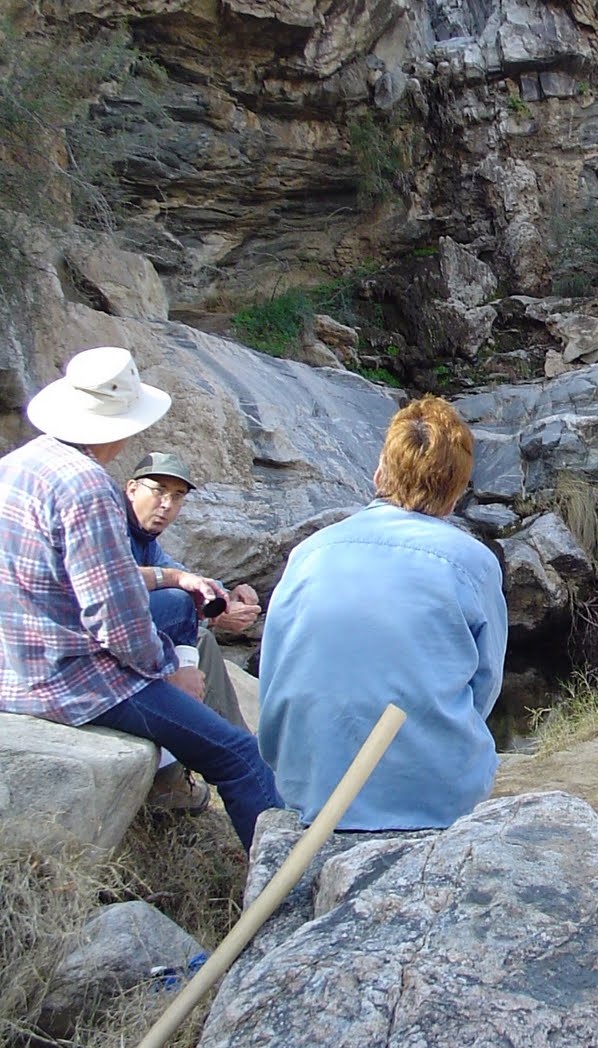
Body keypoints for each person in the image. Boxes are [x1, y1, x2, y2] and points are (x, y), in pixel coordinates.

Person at [0, 346, 281, 851]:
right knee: (241, 757)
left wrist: (176, 580)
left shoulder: (18, 465)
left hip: (19, 665)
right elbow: (113, 614)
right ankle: (288, 894)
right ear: (123, 427)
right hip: (74, 681)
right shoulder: (87, 485)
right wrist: (166, 672)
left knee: (176, 604)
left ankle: (170, 772)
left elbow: (76, 575)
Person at [258, 394, 507, 831]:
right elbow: (484, 687)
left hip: (312, 788)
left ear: (379, 473)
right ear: (456, 494)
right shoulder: (473, 563)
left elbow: (276, 674)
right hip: (433, 797)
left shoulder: (309, 552)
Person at [124, 449, 259, 732]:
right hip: (90, 641)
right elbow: (111, 578)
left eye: (177, 496)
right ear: (132, 489)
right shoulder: (112, 524)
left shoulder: (146, 539)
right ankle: (231, 748)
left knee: (202, 639)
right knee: (180, 605)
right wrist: (210, 611)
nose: (166, 504)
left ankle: (232, 743)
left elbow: (186, 575)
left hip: (127, 636)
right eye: (159, 491)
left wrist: (223, 597)